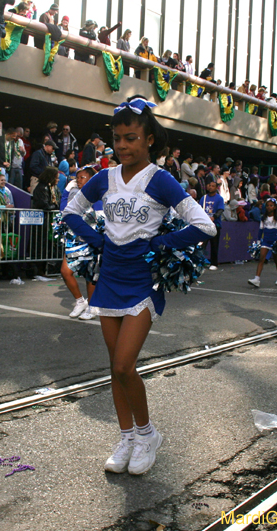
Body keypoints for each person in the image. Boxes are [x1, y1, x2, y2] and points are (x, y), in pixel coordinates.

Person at [62, 96, 216, 475]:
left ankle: (147, 435)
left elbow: (204, 225)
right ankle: (127, 436)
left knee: (125, 363)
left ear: (149, 139)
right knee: (115, 369)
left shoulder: (160, 180)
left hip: (142, 283)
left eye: (131, 137)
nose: (123, 146)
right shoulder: (106, 177)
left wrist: (161, 243)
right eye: (117, 138)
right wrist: (97, 241)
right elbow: (70, 212)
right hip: (108, 280)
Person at [59, 165, 99, 320]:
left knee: (91, 275)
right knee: (65, 271)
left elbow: (101, 217)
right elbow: (64, 210)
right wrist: (67, 190)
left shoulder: (98, 194)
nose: (79, 181)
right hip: (74, 238)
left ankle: (93, 306)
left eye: (83, 177)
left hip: (91, 239)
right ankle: (80, 301)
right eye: (77, 178)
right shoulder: (75, 195)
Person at [248, 198, 277, 287]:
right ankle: (257, 279)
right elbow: (260, 230)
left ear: (275, 207)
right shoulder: (263, 218)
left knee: (276, 260)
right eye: (268, 205)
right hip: (266, 241)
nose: (269, 207)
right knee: (261, 258)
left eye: (271, 205)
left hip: (275, 241)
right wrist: (258, 240)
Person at [200, 180, 225, 270]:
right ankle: (200, 262)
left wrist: (213, 217)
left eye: (213, 186)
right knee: (201, 244)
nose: (210, 187)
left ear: (216, 188)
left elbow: (220, 210)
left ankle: (214, 263)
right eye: (209, 185)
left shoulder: (219, 198)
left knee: (214, 245)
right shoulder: (204, 198)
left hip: (215, 225)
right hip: (204, 225)